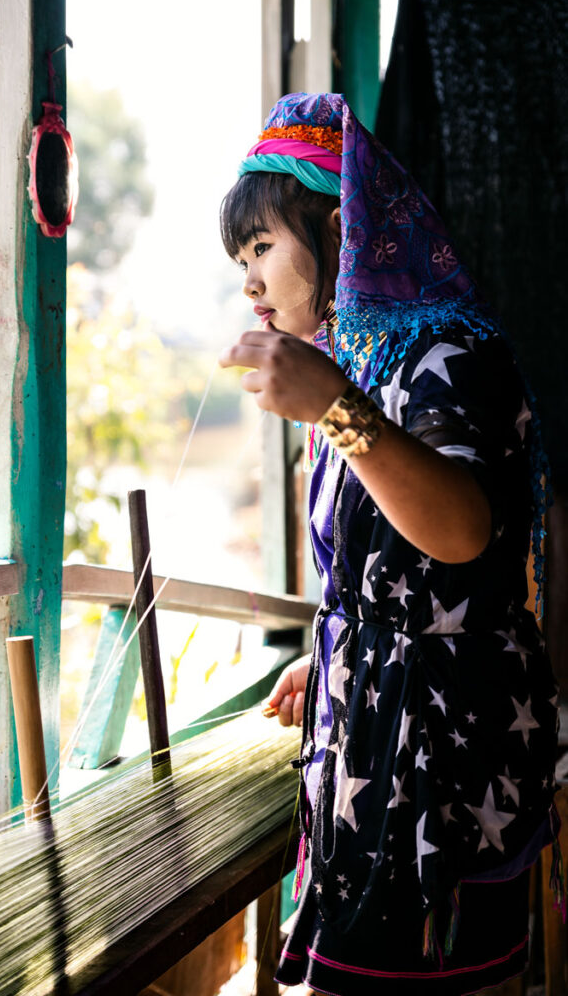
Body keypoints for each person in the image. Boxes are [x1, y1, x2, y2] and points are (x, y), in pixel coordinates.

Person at [218, 92, 562, 995]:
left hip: (446, 758)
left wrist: (334, 406)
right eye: (238, 259)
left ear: (340, 229)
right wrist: (344, 649)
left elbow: (458, 532)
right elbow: (392, 566)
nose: (247, 281)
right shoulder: (366, 368)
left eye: (261, 247)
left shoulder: (446, 355)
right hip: (378, 736)